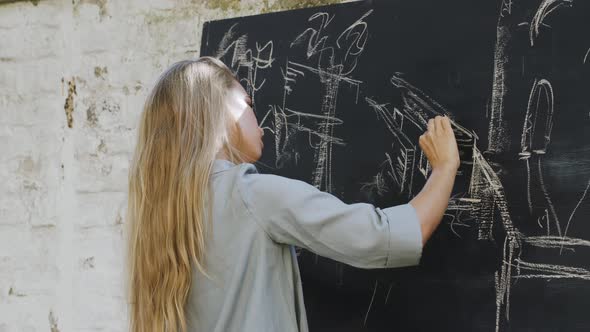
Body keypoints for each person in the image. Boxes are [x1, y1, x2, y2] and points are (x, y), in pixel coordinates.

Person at [126, 57, 460, 332]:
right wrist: (444, 168)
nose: (262, 122)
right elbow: (386, 237)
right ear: (223, 113)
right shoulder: (251, 195)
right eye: (248, 103)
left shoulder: (160, 218)